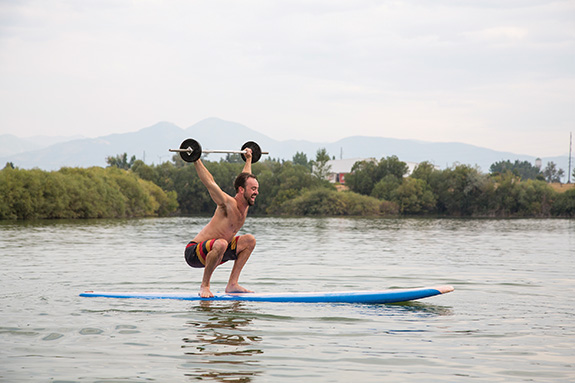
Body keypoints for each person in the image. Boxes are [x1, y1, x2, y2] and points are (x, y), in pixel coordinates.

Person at [184, 148, 259, 298]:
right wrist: (195, 158)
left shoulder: (245, 206)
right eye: (253, 189)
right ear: (241, 190)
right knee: (222, 243)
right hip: (194, 253)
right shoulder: (227, 204)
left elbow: (245, 178)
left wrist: (249, 159)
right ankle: (205, 286)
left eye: (257, 189)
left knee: (249, 240)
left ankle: (232, 285)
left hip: (219, 250)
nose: (256, 192)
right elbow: (210, 183)